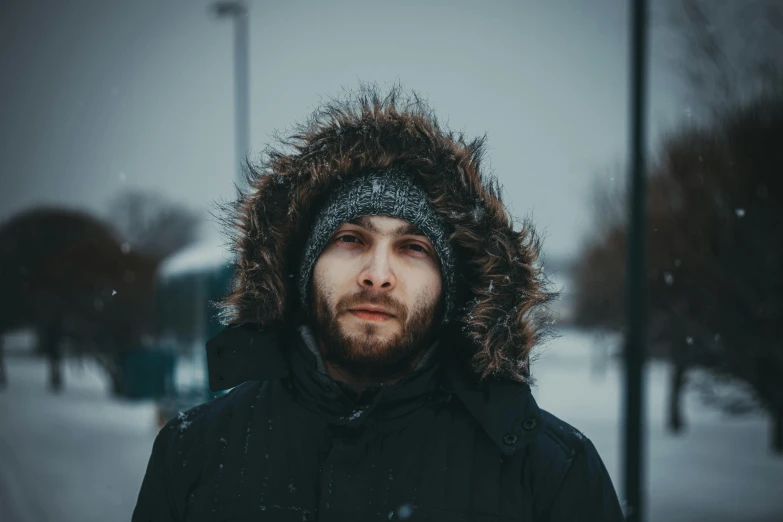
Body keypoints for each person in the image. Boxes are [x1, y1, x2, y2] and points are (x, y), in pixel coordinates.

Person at [132, 87, 624, 521]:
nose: (377, 274)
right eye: (350, 238)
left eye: (413, 248)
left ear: (450, 287)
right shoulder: (193, 452)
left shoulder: (549, 472)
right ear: (303, 270)